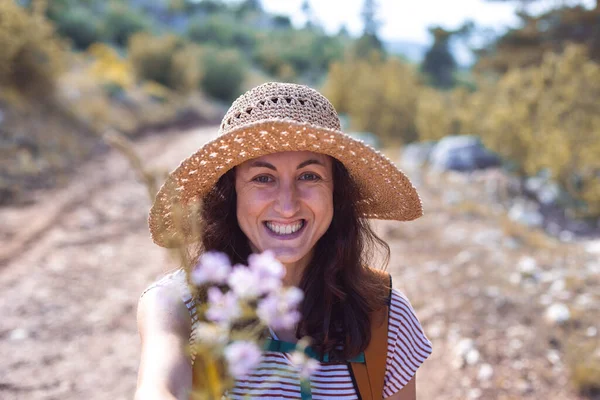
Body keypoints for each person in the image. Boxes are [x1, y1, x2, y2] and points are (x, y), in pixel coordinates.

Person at [135, 82, 432, 400]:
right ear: (231, 194)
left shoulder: (385, 315)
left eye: (309, 176)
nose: (288, 205)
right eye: (263, 178)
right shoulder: (177, 306)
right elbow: (159, 388)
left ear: (337, 192)